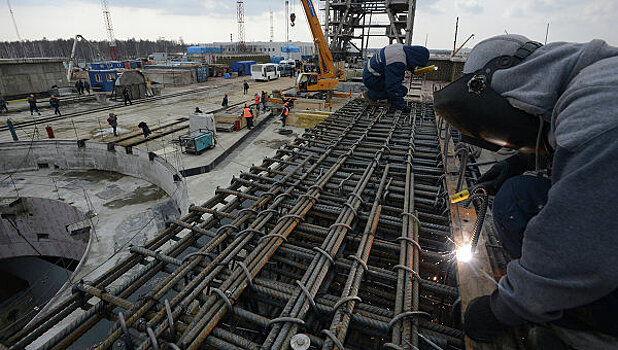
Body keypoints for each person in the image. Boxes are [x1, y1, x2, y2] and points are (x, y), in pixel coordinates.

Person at [433, 34, 618, 348]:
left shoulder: (597, 108)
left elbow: (576, 248)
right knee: (520, 192)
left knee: (514, 204)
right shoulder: (596, 77)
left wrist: (502, 309)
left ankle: (585, 329)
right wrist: (521, 160)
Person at [362, 43, 429, 113]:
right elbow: (393, 87)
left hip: (371, 74)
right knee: (398, 91)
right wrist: (402, 106)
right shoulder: (397, 62)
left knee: (402, 90)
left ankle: (390, 99)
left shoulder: (400, 48)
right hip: (372, 79)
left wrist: (411, 68)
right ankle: (371, 95)